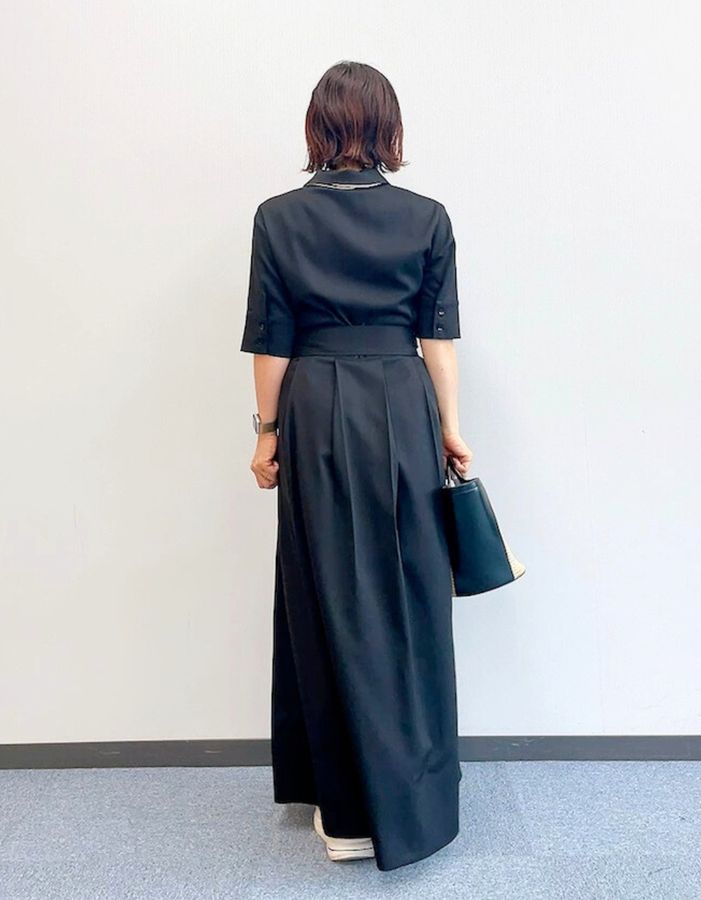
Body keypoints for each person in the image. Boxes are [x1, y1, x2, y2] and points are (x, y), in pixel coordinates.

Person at [239, 60, 473, 872]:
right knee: (409, 601)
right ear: (388, 127)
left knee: (327, 594)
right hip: (402, 407)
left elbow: (272, 342)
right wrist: (450, 430)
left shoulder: (277, 218)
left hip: (315, 409)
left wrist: (267, 434)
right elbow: (438, 340)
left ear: (318, 126)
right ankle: (410, 801)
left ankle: (343, 815)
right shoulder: (427, 218)